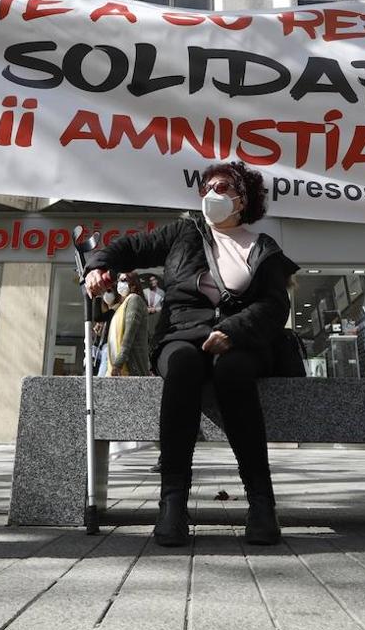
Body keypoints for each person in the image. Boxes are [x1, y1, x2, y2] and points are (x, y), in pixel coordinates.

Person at [83, 161, 297, 547]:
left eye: (225, 187)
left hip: (242, 341)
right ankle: (173, 503)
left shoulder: (263, 247)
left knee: (233, 372)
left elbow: (274, 306)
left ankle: (262, 505)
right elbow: (129, 246)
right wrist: (98, 266)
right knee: (182, 366)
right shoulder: (184, 232)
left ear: (243, 198)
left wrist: (231, 331)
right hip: (181, 334)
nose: (214, 193)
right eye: (208, 187)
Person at [104, 271, 152, 377]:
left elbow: (129, 334)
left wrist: (118, 363)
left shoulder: (135, 300)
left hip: (131, 369)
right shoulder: (121, 306)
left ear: (134, 285)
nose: (120, 284)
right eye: (119, 281)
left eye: (124, 280)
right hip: (120, 369)